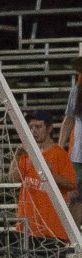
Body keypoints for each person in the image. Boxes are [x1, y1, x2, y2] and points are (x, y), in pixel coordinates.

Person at [8, 110, 76, 258]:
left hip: (51, 229)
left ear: (50, 128)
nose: (33, 131)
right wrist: (16, 157)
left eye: (38, 127)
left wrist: (52, 176)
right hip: (26, 226)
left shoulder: (59, 154)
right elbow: (13, 178)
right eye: (31, 127)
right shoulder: (27, 153)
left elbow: (71, 183)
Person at [58, 57, 82, 195]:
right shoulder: (77, 91)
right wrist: (60, 146)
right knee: (75, 197)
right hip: (78, 155)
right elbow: (69, 119)